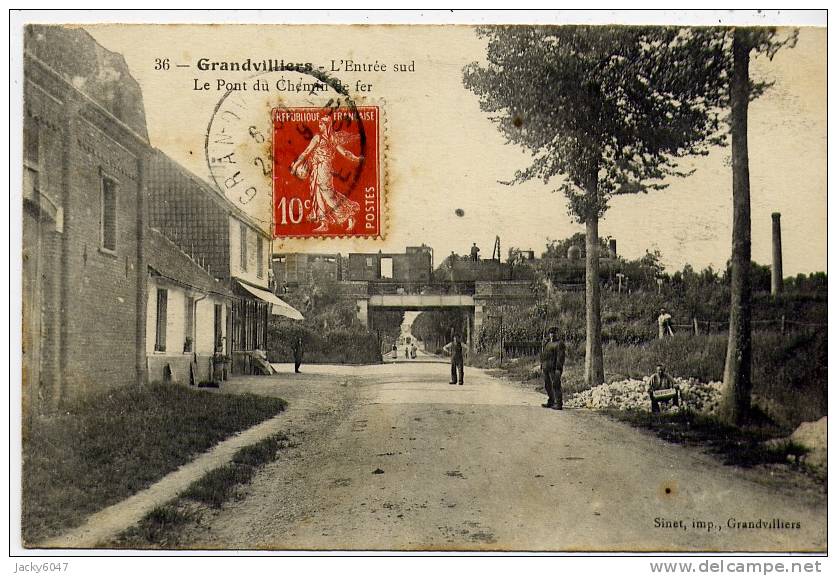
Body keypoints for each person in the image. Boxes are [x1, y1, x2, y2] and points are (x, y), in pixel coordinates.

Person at [290, 115, 362, 233]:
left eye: (321, 124)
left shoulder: (324, 138)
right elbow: (307, 152)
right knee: (318, 194)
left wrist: (356, 158)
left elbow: (344, 152)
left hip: (324, 168)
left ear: (326, 125)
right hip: (317, 168)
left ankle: (348, 216)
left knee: (327, 195)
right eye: (319, 124)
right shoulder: (322, 138)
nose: (319, 126)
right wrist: (296, 165)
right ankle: (324, 223)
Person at [539, 327, 566, 410]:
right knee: (548, 385)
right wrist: (542, 364)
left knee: (556, 385)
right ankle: (551, 401)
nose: (552, 335)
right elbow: (544, 355)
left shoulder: (559, 344)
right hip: (546, 367)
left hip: (554, 368)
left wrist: (558, 369)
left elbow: (560, 358)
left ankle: (558, 403)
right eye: (551, 333)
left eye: (554, 333)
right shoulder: (547, 343)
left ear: (556, 334)